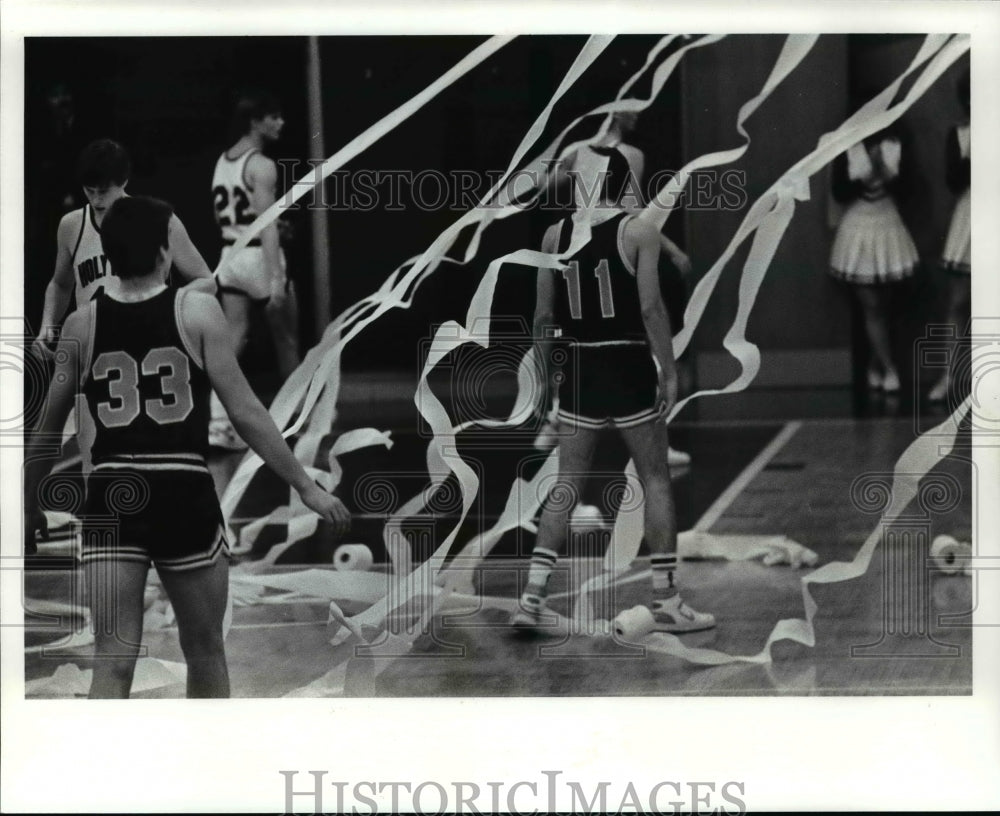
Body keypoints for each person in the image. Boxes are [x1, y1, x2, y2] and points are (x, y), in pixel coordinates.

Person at [23, 196, 349, 698]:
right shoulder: (196, 310)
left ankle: (89, 774)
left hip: (112, 495)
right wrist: (306, 487)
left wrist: (25, 505)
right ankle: (209, 769)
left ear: (107, 257)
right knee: (205, 651)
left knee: (111, 662)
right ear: (162, 254)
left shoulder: (80, 325)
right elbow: (246, 413)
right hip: (183, 492)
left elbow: (47, 430)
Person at [512, 151, 715, 634]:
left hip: (579, 368)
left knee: (566, 483)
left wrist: (542, 381)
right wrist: (668, 368)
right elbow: (650, 308)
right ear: (623, 184)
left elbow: (542, 318)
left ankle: (532, 598)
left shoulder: (554, 235)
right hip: (625, 364)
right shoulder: (639, 231)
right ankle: (665, 599)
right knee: (656, 478)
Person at [31, 139, 216, 482]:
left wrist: (166, 304)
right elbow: (60, 284)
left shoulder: (160, 219)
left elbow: (206, 280)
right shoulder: (72, 225)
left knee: (160, 462)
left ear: (125, 181)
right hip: (97, 357)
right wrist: (47, 326)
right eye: (90, 191)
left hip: (150, 354)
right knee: (94, 467)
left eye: (105, 191)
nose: (97, 200)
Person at [535, 109, 693, 466]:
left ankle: (557, 418)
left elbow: (546, 186)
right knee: (633, 323)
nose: (639, 112)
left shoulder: (590, 151)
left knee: (589, 331)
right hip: (605, 242)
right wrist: (672, 249)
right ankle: (567, 419)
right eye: (632, 103)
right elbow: (631, 209)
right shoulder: (615, 154)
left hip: (584, 244)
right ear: (615, 107)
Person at [209, 90, 300, 449]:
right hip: (257, 258)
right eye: (274, 116)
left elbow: (229, 215)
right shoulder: (262, 165)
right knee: (287, 339)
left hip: (229, 256)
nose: (281, 123)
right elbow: (266, 224)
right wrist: (276, 279)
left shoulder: (222, 160)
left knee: (231, 342)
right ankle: (296, 417)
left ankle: (217, 422)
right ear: (255, 121)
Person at [829, 126, 919, 394]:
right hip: (858, 228)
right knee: (871, 304)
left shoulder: (895, 144)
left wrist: (886, 171)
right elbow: (839, 191)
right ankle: (890, 368)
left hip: (888, 225)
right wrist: (867, 173)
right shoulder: (848, 146)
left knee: (885, 304)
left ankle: (874, 364)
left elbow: (909, 189)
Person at [929, 68, 971, 402]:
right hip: (970, 216)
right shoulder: (958, 134)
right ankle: (949, 376)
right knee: (958, 302)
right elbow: (954, 181)